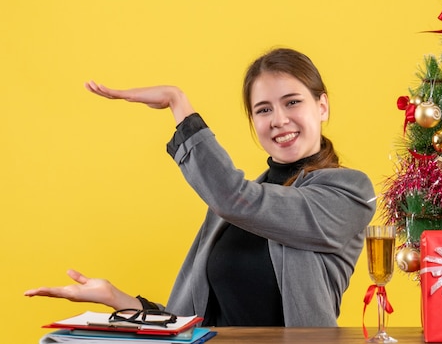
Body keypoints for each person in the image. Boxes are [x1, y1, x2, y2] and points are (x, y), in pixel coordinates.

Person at [25, 47, 376, 327]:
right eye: (263, 109)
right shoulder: (224, 214)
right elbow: (188, 323)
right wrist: (116, 298)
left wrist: (179, 104)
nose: (279, 119)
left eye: (293, 102)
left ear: (322, 106)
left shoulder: (349, 193)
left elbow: (239, 199)